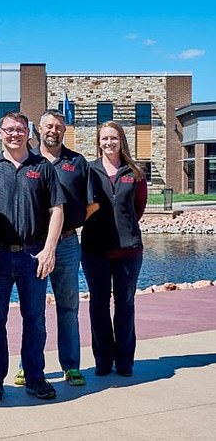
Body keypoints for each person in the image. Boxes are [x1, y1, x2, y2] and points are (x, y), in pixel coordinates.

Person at [0, 112, 65, 402]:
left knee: (35, 320)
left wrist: (50, 249)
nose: (14, 134)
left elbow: (57, 211)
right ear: (0, 132)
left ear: (28, 133)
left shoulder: (43, 167)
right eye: (9, 130)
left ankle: (35, 378)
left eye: (19, 130)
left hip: (33, 257)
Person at [13, 110, 97, 387]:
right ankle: (29, 366)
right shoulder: (28, 162)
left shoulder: (76, 162)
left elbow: (92, 203)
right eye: (49, 126)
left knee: (68, 307)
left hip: (68, 245)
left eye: (59, 127)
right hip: (35, 247)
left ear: (64, 130)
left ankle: (71, 366)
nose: (53, 131)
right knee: (33, 309)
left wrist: (71, 223)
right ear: (39, 129)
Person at [81, 121, 147, 377]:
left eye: (114, 138)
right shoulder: (89, 170)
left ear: (122, 141)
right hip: (95, 250)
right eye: (105, 138)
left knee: (125, 305)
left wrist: (125, 227)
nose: (109, 142)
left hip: (129, 252)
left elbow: (138, 207)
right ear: (98, 142)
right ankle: (103, 360)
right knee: (98, 304)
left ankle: (125, 361)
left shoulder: (135, 172)